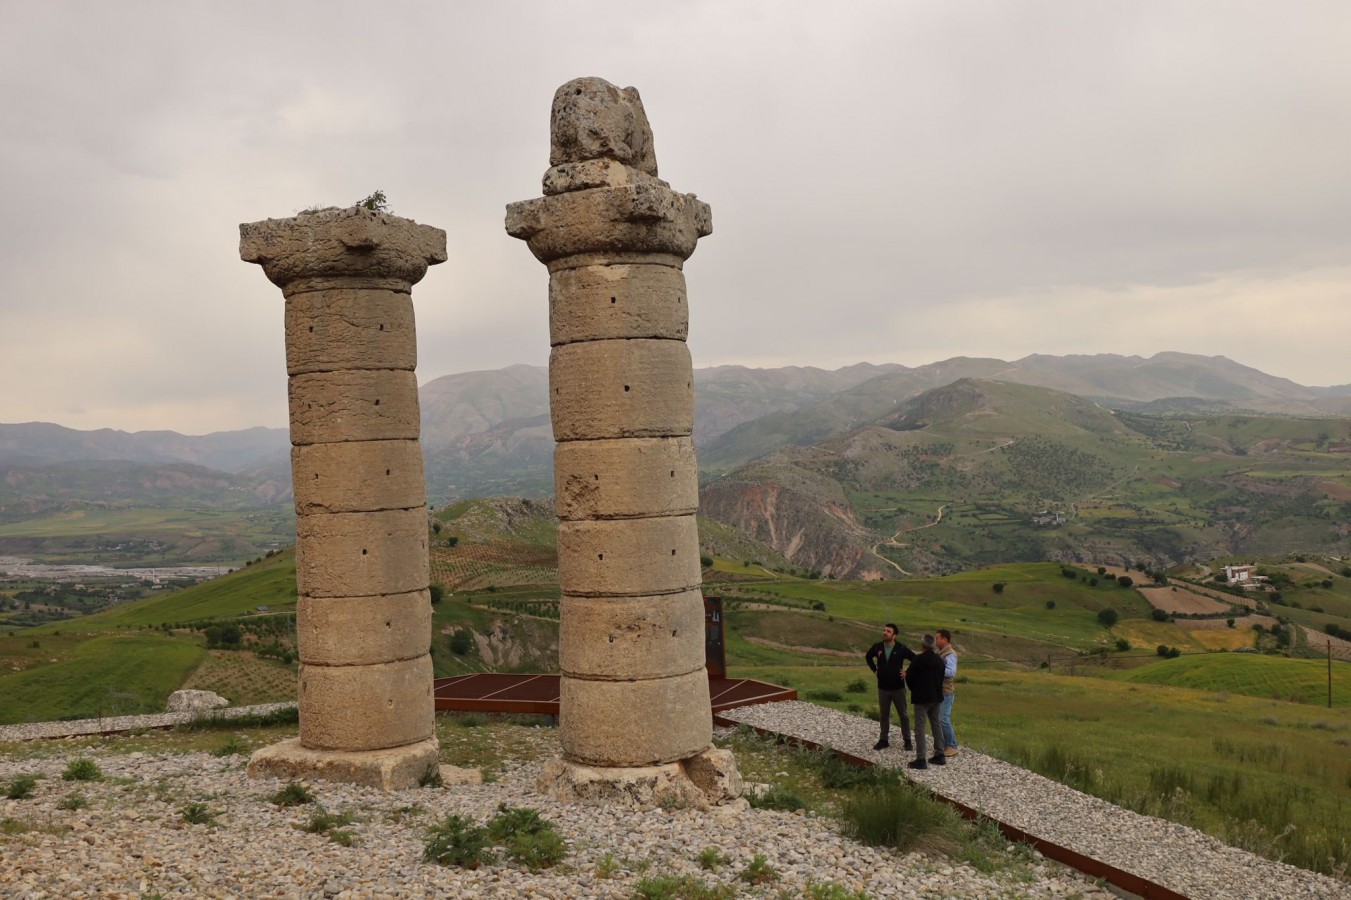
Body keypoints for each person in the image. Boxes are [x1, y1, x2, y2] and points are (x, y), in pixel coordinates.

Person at [864, 623, 915, 751]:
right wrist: (874, 670)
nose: (885, 632)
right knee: (884, 715)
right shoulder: (878, 647)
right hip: (882, 688)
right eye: (884, 630)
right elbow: (868, 656)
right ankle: (883, 740)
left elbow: (915, 659)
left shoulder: (901, 648)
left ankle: (907, 740)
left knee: (903, 715)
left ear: (894, 635)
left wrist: (907, 672)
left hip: (898, 688)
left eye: (888, 631)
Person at [906, 633, 946, 769]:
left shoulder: (918, 659)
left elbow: (909, 677)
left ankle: (921, 759)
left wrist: (914, 689)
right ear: (933, 645)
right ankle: (940, 754)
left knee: (920, 727)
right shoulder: (939, 660)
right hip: (936, 697)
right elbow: (942, 678)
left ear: (923, 645)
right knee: (936, 724)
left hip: (921, 698)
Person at [936, 628, 959, 756]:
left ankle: (952, 745)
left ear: (945, 639)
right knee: (939, 719)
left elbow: (951, 672)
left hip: (946, 691)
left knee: (944, 719)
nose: (936, 640)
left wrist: (936, 670)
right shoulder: (940, 653)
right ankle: (945, 744)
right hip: (940, 691)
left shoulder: (950, 654)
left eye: (937, 638)